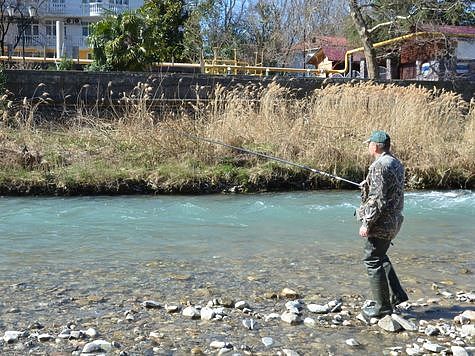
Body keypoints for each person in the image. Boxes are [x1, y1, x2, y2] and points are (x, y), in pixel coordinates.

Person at [357, 130, 408, 319]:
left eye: (369, 143)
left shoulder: (379, 166)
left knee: (372, 259)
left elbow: (378, 199)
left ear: (376, 146)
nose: (368, 146)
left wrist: (367, 223)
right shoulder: (395, 162)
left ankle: (383, 307)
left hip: (381, 222)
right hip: (394, 220)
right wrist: (368, 184)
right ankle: (397, 295)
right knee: (380, 255)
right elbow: (386, 191)